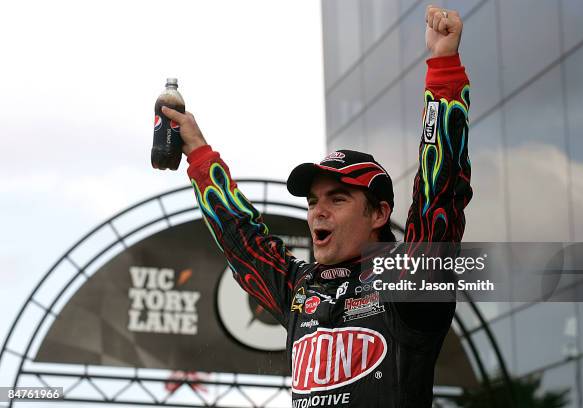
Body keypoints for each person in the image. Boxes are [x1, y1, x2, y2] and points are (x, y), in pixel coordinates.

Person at [161, 5, 471, 407]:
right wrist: (198, 152)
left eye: (337, 199)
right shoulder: (300, 288)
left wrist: (443, 69)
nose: (317, 212)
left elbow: (439, 193)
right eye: (312, 202)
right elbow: (244, 241)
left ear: (378, 214)